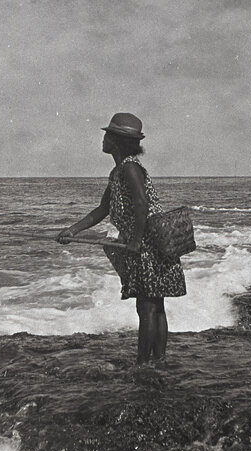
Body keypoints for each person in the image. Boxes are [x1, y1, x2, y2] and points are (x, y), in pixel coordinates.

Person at [57, 113, 187, 366]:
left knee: (147, 307)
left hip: (147, 244)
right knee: (155, 306)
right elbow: (102, 209)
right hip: (153, 243)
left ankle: (143, 363)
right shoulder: (118, 171)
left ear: (116, 141)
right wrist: (73, 230)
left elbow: (141, 203)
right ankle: (157, 361)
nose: (103, 139)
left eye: (107, 135)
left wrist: (136, 241)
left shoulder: (129, 168)